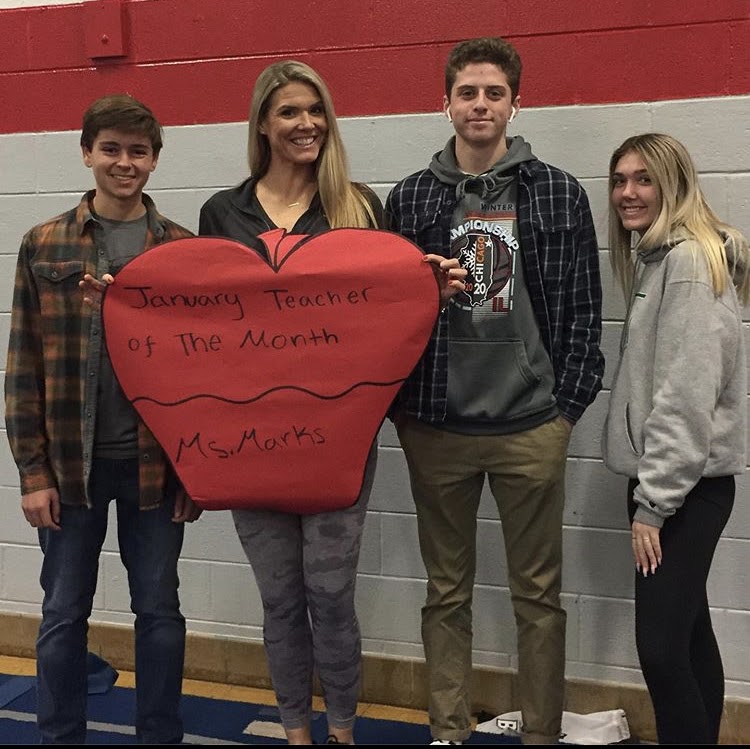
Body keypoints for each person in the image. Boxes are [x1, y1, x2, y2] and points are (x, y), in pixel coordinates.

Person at [198, 60, 464, 746]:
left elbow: (382, 312)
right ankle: (294, 730)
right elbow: (197, 322)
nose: (306, 123)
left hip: (338, 437)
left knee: (330, 595)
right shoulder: (222, 212)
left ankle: (341, 729)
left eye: (315, 110)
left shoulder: (359, 207)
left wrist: (423, 281)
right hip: (250, 439)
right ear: (263, 122)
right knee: (281, 600)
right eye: (289, 111)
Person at [386, 37, 604, 745]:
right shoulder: (412, 196)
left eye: (494, 93)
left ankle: (541, 731)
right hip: (437, 428)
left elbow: (582, 315)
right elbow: (386, 315)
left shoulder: (557, 190)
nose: (480, 105)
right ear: (445, 101)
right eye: (467, 92)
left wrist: (564, 412)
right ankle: (448, 731)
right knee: (445, 595)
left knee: (537, 598)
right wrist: (405, 408)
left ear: (515, 101)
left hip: (530, 427)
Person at [4, 93, 202, 744]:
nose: (124, 162)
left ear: (154, 161)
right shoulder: (44, 244)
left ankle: (159, 736)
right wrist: (33, 471)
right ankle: (60, 737)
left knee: (160, 613)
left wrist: (194, 470)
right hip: (68, 470)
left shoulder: (182, 252)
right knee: (63, 614)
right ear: (87, 152)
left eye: (138, 151)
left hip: (156, 469)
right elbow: (23, 366)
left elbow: (201, 374)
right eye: (111, 149)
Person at [603, 133, 748, 745]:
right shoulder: (660, 257)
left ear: (675, 184)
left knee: (661, 651)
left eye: (644, 179)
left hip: (681, 489)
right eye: (619, 180)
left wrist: (654, 503)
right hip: (676, 483)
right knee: (688, 635)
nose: (627, 194)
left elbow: (686, 395)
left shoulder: (688, 262)